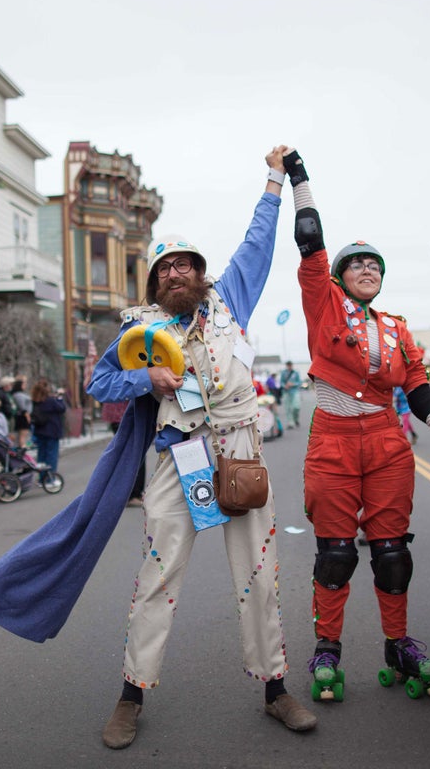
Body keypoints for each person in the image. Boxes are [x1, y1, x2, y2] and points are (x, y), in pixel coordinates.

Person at [85, 145, 316, 750]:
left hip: (240, 451)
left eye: (185, 265)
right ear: (155, 282)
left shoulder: (231, 299)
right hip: (175, 455)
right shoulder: (141, 330)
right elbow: (99, 382)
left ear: (202, 272)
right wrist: (145, 377)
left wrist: (275, 178)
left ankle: (275, 690)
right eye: (165, 269)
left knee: (261, 575)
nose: (175, 274)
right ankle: (131, 695)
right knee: (158, 576)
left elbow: (259, 240)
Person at [281, 148, 430, 701]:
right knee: (336, 552)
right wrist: (299, 177)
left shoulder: (398, 330)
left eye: (375, 264)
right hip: (332, 440)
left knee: (392, 552)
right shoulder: (322, 302)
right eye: (357, 264)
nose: (367, 269)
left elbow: (420, 391)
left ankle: (398, 644)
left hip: (387, 444)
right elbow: (309, 237)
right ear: (340, 276)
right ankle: (328, 646)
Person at [101, 400, 146, 505]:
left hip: (120, 416)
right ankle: (132, 494)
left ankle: (130, 493)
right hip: (124, 415)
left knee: (131, 455)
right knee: (135, 455)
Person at [30, 379, 66, 472]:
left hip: (39, 431)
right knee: (51, 456)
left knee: (41, 455)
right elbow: (62, 409)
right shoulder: (51, 401)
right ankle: (50, 478)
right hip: (52, 432)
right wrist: (60, 398)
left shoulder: (35, 401)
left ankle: (42, 478)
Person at [11, 376, 33, 449]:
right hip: (23, 417)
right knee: (23, 434)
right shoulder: (18, 395)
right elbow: (22, 407)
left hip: (25, 415)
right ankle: (22, 447)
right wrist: (27, 416)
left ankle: (26, 445)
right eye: (23, 384)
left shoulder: (22, 394)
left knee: (26, 434)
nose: (25, 386)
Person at [280, 360, 301, 428]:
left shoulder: (296, 373)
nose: (289, 366)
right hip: (286, 392)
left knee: (296, 407)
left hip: (294, 391)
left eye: (290, 365)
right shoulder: (283, 373)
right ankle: (290, 423)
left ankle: (295, 419)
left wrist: (293, 384)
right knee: (288, 408)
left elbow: (299, 382)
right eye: (288, 365)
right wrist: (284, 386)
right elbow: (281, 382)